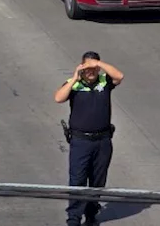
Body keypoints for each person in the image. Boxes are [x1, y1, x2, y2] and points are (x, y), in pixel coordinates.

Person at [55, 52, 124, 226]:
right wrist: (74, 77)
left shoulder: (104, 82)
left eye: (94, 68)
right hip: (81, 142)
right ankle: (74, 219)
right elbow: (58, 98)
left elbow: (119, 76)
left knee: (97, 181)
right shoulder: (75, 85)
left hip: (102, 141)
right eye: (87, 68)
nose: (91, 72)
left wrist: (98, 63)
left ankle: (91, 214)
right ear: (81, 68)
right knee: (77, 180)